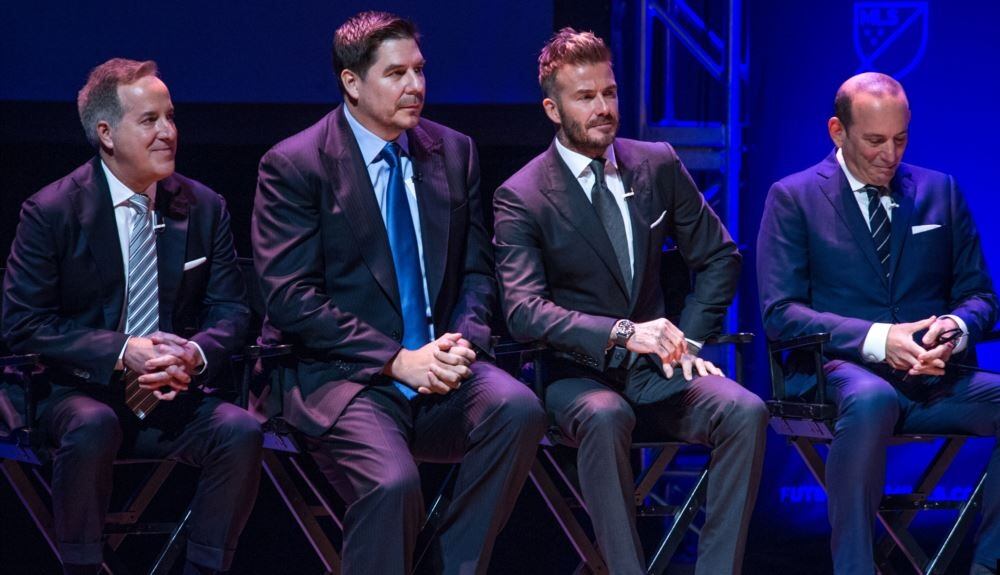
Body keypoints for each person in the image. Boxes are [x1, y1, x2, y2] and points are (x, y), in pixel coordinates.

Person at [251, 11, 545, 574]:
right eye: (396, 74)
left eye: (419, 70)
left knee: (518, 409)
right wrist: (395, 360)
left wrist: (463, 342)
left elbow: (478, 271)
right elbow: (289, 297)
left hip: (438, 367)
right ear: (352, 82)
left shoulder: (452, 152)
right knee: (392, 484)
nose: (416, 86)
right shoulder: (296, 164)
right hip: (342, 376)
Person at [492, 28, 767, 575]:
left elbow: (721, 257)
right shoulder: (521, 195)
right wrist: (621, 331)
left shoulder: (657, 164)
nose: (603, 108)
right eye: (585, 97)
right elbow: (524, 309)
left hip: (657, 371)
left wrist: (685, 338)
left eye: (609, 93)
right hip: (577, 375)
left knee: (745, 411)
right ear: (552, 108)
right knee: (605, 414)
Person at [1, 58, 262, 575]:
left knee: (240, 432)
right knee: (93, 424)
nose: (169, 132)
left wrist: (193, 353)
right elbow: (24, 324)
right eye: (149, 120)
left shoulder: (203, 206)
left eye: (170, 117)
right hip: (74, 392)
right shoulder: (51, 211)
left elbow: (232, 310)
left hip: (170, 391)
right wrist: (124, 352)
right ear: (106, 133)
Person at [757, 71, 999, 574]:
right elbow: (781, 314)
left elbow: (979, 297)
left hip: (931, 379)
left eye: (901, 138)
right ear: (836, 131)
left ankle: (988, 566)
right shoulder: (793, 197)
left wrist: (952, 331)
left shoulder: (941, 192)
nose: (890, 154)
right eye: (874, 141)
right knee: (871, 398)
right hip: (838, 375)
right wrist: (880, 339)